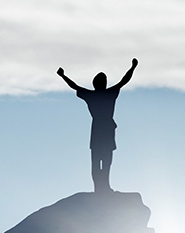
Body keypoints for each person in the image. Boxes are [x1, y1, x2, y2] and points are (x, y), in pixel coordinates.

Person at [57, 59, 138, 193]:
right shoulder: (108, 93)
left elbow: (75, 86)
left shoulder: (92, 95)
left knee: (99, 160)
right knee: (105, 160)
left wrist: (63, 76)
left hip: (99, 130)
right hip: (105, 129)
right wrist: (133, 67)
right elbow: (124, 80)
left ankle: (101, 187)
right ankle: (102, 187)